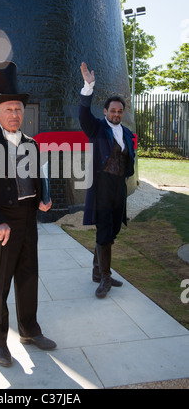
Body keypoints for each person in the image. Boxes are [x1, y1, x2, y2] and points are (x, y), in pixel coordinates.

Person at [0, 61, 56, 367]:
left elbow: (37, 181)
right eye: (9, 109)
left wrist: (44, 200)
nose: (15, 114)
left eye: (19, 109)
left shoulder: (31, 144)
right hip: (1, 227)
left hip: (28, 222)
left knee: (29, 278)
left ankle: (29, 330)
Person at [79, 62, 135, 299]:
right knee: (103, 231)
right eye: (112, 110)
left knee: (111, 231)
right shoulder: (97, 129)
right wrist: (88, 87)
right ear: (105, 111)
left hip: (118, 188)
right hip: (101, 187)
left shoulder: (129, 134)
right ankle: (105, 277)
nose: (116, 114)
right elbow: (83, 114)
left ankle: (96, 270)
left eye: (120, 111)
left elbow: (128, 159)